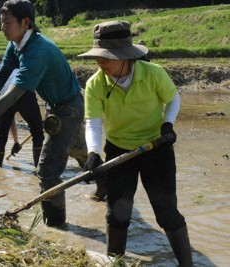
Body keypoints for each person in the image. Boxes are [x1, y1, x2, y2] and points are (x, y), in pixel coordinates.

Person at [0, 0, 83, 228]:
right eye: (1, 22)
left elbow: (12, 95)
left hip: (69, 108)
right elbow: (0, 77)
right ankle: (102, 180)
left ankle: (57, 226)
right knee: (79, 151)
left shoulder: (37, 52)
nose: (2, 27)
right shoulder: (16, 44)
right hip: (55, 106)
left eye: (7, 22)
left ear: (25, 22)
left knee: (48, 171)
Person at [78, 20, 192, 266]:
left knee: (166, 213)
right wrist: (94, 153)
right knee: (118, 213)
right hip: (119, 149)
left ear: (125, 56)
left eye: (106, 57)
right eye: (98, 58)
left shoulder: (154, 73)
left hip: (156, 147)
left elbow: (173, 99)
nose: (101, 63)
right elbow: (94, 123)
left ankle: (187, 264)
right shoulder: (95, 84)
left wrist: (168, 124)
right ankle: (114, 261)